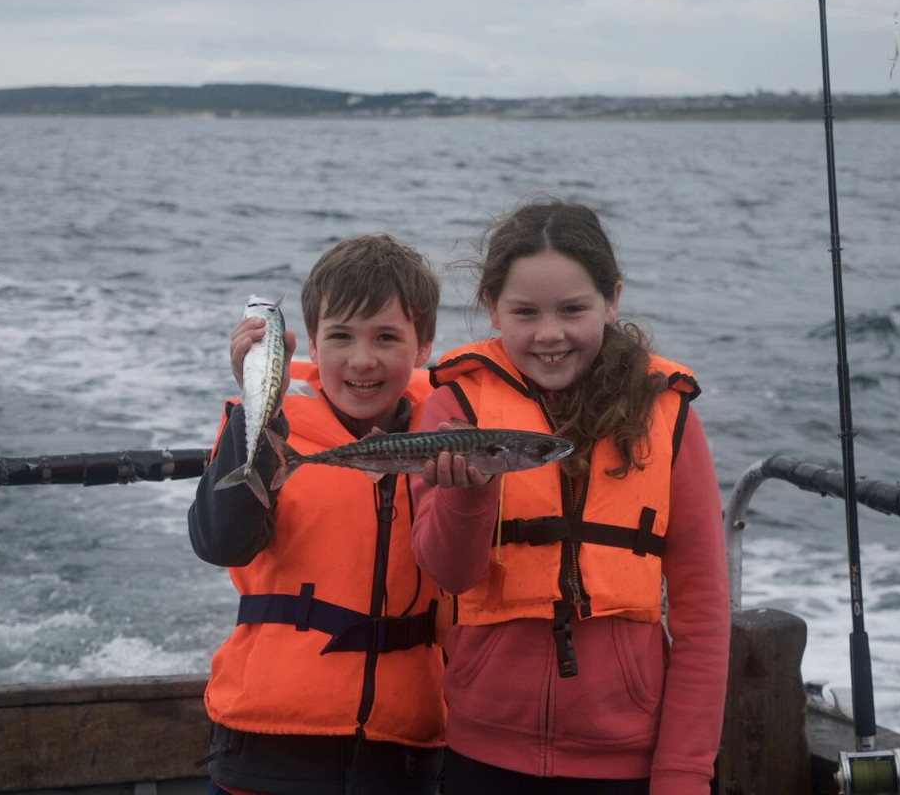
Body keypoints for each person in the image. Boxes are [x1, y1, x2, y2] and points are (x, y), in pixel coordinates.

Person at [410, 199, 730, 795]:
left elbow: (704, 611)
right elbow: (448, 575)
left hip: (629, 762)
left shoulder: (668, 417)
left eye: (573, 310)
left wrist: (684, 773)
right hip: (481, 754)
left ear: (612, 299)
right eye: (525, 312)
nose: (550, 333)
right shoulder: (456, 407)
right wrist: (468, 498)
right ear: (491, 307)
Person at [189, 234, 446, 795]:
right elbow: (219, 541)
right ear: (310, 342)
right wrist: (259, 411)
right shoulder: (270, 427)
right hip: (267, 751)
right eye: (341, 337)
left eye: (386, 337)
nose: (361, 360)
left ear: (423, 343)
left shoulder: (448, 439)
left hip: (404, 756)